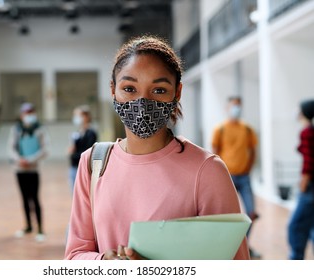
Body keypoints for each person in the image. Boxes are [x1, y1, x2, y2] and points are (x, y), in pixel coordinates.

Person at [64, 35, 249, 260]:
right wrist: (105, 262)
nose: (142, 102)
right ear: (113, 90)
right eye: (129, 88)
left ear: (177, 92)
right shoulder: (93, 163)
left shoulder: (207, 170)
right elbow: (75, 255)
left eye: (158, 90)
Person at [211, 96, 260, 258]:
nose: (236, 109)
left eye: (238, 106)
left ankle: (244, 244)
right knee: (226, 215)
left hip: (244, 177)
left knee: (251, 212)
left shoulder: (247, 129)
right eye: (233, 106)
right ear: (227, 108)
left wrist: (248, 168)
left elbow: (253, 152)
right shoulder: (220, 129)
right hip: (228, 177)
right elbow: (215, 152)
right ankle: (230, 248)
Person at [8, 102, 49, 242]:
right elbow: (11, 148)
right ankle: (28, 226)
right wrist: (19, 159)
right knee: (24, 198)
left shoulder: (40, 130)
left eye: (31, 112)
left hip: (33, 169)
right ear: (21, 115)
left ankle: (40, 229)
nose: (28, 115)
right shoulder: (16, 129)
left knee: (35, 198)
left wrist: (30, 160)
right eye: (26, 113)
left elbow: (44, 150)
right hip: (19, 169)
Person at [287, 99, 314, 260]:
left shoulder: (306, 132)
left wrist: (304, 181)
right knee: (310, 226)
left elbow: (309, 161)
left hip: (310, 186)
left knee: (295, 226)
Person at [68, 105, 98, 194]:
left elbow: (88, 151)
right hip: (74, 165)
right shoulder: (78, 132)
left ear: (86, 117)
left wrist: (74, 154)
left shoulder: (91, 133)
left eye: (78, 115)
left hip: (82, 166)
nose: (76, 118)